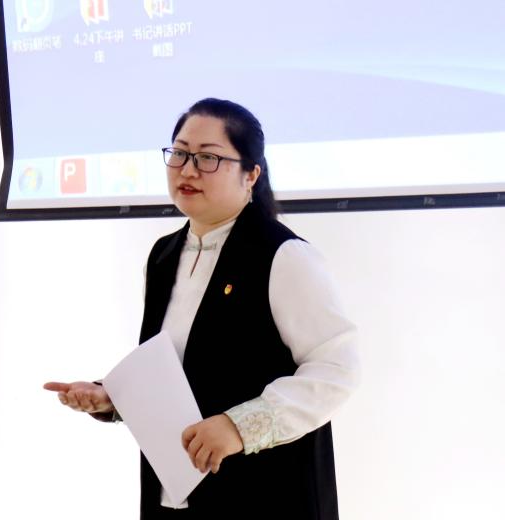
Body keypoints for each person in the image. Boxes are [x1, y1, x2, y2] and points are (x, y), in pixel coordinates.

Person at [44, 98, 360, 519]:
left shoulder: (283, 255)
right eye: (179, 153)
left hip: (266, 493)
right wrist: (112, 396)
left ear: (251, 174)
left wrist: (239, 426)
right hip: (175, 491)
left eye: (208, 157)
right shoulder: (164, 255)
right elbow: (174, 368)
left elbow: (337, 369)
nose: (188, 170)